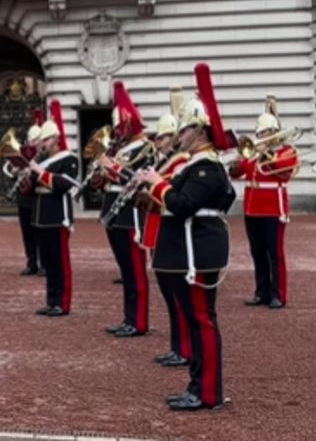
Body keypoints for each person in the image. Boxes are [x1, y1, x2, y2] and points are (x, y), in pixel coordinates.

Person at [136, 62, 235, 412]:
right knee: (195, 321)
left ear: (200, 131)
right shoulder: (194, 165)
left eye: (184, 130)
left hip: (197, 253)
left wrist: (157, 183)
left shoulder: (206, 167)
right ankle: (198, 386)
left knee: (202, 321)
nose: (178, 137)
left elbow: (182, 204)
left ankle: (207, 393)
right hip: (187, 252)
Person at [228, 96, 298, 309]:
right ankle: (262, 291)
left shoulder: (285, 152)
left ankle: (279, 294)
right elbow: (238, 172)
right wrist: (236, 162)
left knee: (275, 253)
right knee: (257, 252)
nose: (260, 136)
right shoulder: (253, 154)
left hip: (273, 208)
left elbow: (284, 171)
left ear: (274, 134)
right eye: (259, 133)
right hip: (252, 208)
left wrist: (265, 153)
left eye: (264, 133)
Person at [96, 81, 153, 337]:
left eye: (121, 126)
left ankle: (138, 321)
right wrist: (99, 172)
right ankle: (129, 317)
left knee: (135, 271)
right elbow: (103, 183)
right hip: (114, 212)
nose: (118, 131)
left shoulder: (145, 147)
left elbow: (136, 177)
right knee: (125, 270)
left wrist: (111, 167)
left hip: (131, 214)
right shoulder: (119, 148)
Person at [141, 89, 192, 368]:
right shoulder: (163, 161)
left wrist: (151, 182)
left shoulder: (181, 160)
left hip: (170, 228)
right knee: (168, 295)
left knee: (177, 294)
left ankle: (183, 349)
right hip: (157, 226)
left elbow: (170, 189)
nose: (158, 141)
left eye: (161, 136)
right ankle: (177, 346)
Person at [28, 101, 78, 317]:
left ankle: (63, 303)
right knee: (47, 262)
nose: (43, 144)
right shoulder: (41, 160)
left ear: (56, 139)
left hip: (58, 215)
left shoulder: (69, 159)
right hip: (40, 215)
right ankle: (51, 300)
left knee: (60, 262)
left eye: (47, 140)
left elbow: (64, 185)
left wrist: (39, 173)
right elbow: (31, 189)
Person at [7, 109, 44, 277]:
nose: (32, 142)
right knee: (27, 233)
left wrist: (33, 171)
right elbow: (10, 172)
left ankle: (43, 263)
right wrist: (16, 171)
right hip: (23, 198)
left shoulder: (44, 156)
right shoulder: (23, 154)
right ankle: (31, 263)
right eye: (30, 139)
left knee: (39, 233)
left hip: (37, 197)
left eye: (35, 139)